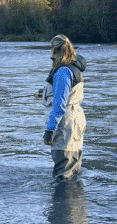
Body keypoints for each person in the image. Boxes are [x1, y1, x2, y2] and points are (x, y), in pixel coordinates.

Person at [37, 34, 87, 180]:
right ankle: (76, 201)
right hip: (76, 119)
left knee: (63, 173)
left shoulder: (62, 71)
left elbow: (59, 105)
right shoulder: (73, 67)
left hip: (66, 124)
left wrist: (49, 130)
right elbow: (67, 92)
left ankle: (62, 201)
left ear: (55, 50)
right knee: (74, 171)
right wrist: (43, 93)